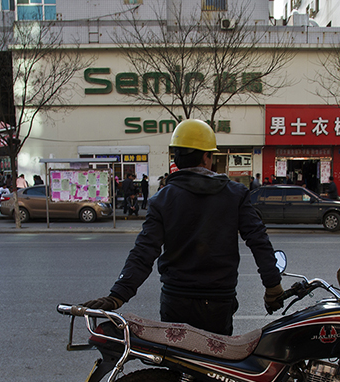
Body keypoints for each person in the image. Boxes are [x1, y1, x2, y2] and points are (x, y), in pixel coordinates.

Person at [83, 119, 283, 336]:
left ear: (177, 158)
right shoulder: (235, 194)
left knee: (175, 364)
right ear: (207, 157)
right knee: (214, 364)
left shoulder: (162, 199)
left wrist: (118, 295)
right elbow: (258, 240)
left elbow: (144, 251)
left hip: (175, 300)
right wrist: (272, 286)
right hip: (218, 302)